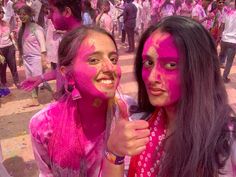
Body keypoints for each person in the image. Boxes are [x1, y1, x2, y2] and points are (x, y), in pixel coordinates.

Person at [102, 16, 236, 177]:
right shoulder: (140, 125)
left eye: (171, 65)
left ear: (200, 69)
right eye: (148, 63)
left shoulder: (226, 143)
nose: (152, 78)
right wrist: (114, 153)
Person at [29, 26, 133, 176]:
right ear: (67, 73)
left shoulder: (128, 112)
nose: (110, 67)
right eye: (94, 60)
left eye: (113, 59)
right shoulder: (43, 125)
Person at [20, 0, 82, 92]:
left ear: (67, 12)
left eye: (52, 11)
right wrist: (41, 78)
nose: (49, 16)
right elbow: (63, 71)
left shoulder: (84, 41)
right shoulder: (70, 38)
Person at [17, 5, 47, 106]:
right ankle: (52, 94)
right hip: (27, 58)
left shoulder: (36, 28)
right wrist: (21, 56)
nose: (22, 16)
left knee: (36, 79)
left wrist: (43, 59)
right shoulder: (21, 29)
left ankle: (35, 99)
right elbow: (21, 44)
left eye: (24, 14)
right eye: (20, 15)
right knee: (32, 79)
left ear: (30, 15)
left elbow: (42, 44)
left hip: (36, 58)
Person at [0, 5, 19, 89]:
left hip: (9, 46)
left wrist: (14, 45)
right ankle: (3, 82)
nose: (1, 14)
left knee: (13, 65)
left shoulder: (6, 23)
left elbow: (10, 35)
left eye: (1, 12)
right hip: (0, 49)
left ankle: (16, 81)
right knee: (2, 67)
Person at [218, 0, 236, 83]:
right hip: (233, 41)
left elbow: (222, 25)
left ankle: (215, 75)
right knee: (229, 61)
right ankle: (224, 77)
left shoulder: (227, 13)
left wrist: (219, 36)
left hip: (224, 39)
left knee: (221, 57)